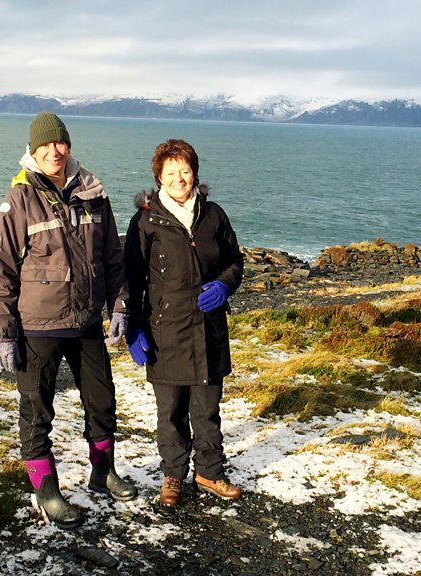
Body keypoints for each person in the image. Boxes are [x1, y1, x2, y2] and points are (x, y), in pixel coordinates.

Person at [0, 111, 137, 530]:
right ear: (33, 150)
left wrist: (120, 306)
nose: (54, 151)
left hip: (86, 323)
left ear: (69, 145)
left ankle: (102, 471)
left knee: (102, 403)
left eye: (60, 143)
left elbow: (112, 259)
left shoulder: (93, 192)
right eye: (45, 145)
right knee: (36, 411)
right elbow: (0, 271)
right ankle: (46, 490)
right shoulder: (19, 199)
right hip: (37, 327)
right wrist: (2, 333)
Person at [123, 138, 245, 508]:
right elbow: (131, 277)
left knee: (207, 410)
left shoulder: (214, 216)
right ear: (158, 176)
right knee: (171, 412)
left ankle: (209, 471)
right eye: (171, 172)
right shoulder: (146, 220)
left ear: (195, 173)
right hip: (165, 332)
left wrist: (224, 285)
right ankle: (173, 475)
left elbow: (235, 262)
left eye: (185, 170)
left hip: (209, 330)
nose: (180, 178)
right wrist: (134, 327)